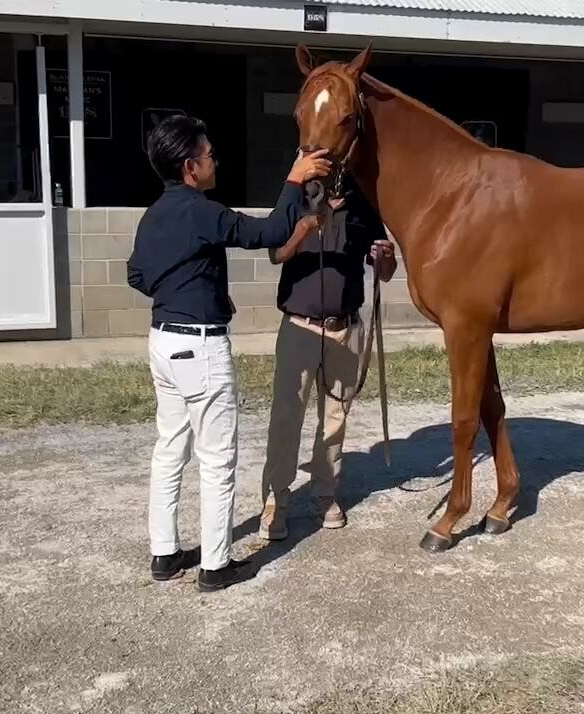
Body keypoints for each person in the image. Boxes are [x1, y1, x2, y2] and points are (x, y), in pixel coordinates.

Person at [127, 115, 330, 592]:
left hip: (163, 340)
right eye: (209, 153)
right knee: (217, 458)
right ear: (189, 166)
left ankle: (165, 553)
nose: (215, 160)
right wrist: (295, 177)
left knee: (170, 450)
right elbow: (272, 232)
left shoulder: (154, 213)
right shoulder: (201, 210)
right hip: (199, 347)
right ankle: (216, 565)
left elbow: (138, 275)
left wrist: (203, 293)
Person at [257, 174, 397, 541]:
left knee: (335, 418)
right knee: (287, 416)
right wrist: (304, 227)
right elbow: (276, 255)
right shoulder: (293, 201)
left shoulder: (364, 206)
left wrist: (387, 260)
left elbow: (384, 273)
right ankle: (277, 498)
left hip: (346, 326)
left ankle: (325, 491)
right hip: (300, 327)